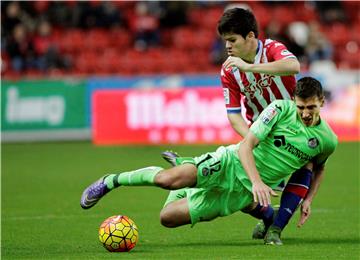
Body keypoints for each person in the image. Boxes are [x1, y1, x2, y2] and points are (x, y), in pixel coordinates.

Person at [81, 77, 338, 245]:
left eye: (311, 108)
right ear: (294, 101)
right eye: (301, 107)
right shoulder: (279, 110)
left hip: (240, 194)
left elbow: (319, 168)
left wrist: (309, 200)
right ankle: (110, 181)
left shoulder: (327, 139)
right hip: (229, 163)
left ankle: (189, 178)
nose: (305, 113)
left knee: (167, 218)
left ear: (322, 103)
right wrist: (258, 181)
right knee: (167, 180)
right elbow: (246, 145)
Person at [162, 7, 307, 244]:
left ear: (251, 36)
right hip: (259, 134)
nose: (227, 46)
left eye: (232, 40)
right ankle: (270, 219)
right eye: (224, 41)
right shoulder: (228, 69)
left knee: (308, 161)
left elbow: (293, 67)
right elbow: (233, 114)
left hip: (294, 128)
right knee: (242, 187)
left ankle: (276, 226)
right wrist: (252, 137)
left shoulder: (271, 48)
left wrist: (250, 67)